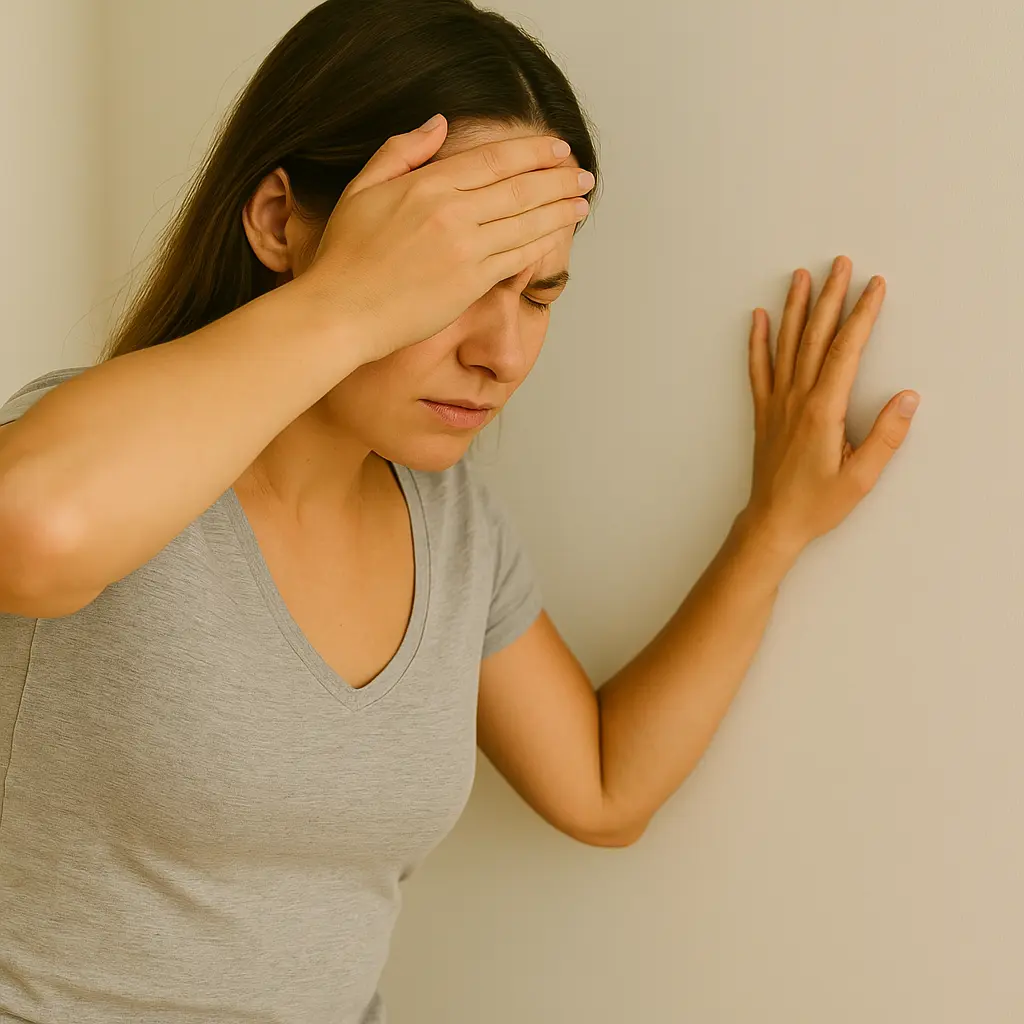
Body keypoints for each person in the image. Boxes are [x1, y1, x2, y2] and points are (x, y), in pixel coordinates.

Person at [0, 0, 920, 1021]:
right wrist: (351, 304)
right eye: (458, 277)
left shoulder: (451, 523)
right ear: (277, 222)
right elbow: (33, 533)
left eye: (538, 294)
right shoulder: (100, 450)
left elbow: (604, 787)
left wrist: (773, 528)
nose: (506, 355)